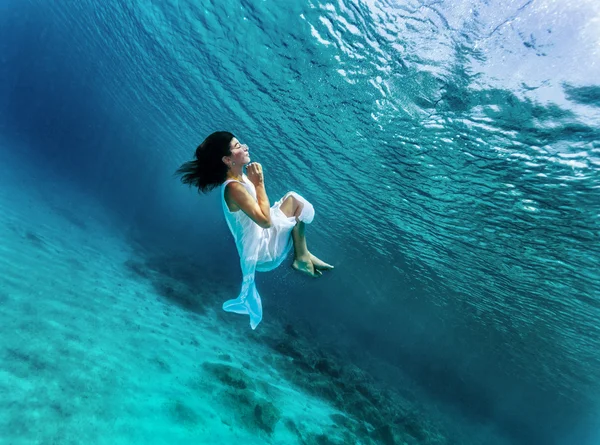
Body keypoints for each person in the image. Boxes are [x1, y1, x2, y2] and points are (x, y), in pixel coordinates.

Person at [175, 131, 333, 329]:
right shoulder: (234, 188)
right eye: (238, 146)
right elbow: (265, 221)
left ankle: (303, 254)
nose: (245, 147)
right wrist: (260, 183)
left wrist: (255, 183)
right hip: (263, 253)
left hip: (263, 239)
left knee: (295, 200)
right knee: (295, 201)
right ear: (227, 159)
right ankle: (301, 257)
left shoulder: (240, 179)